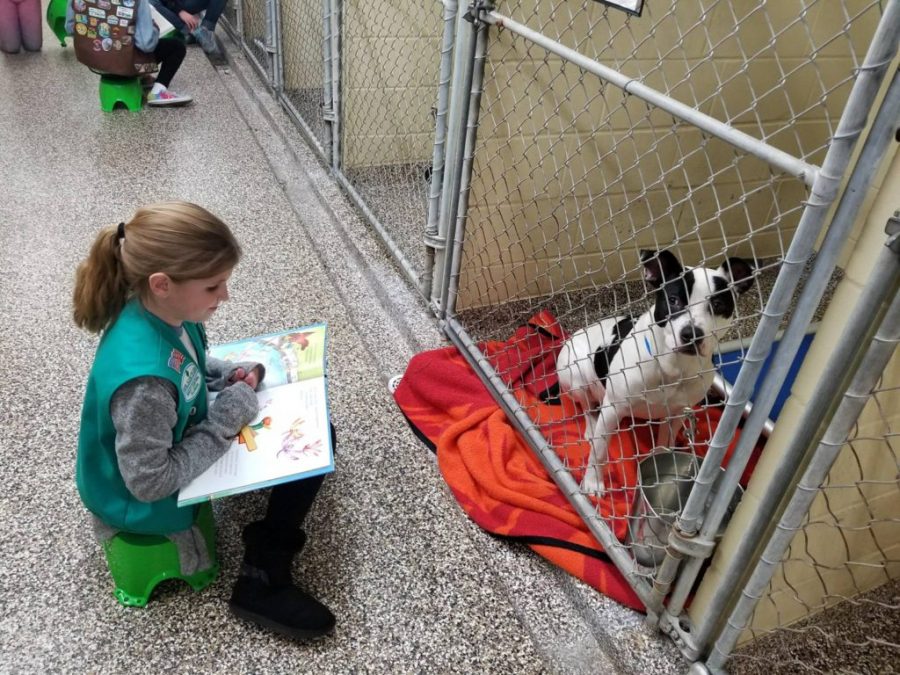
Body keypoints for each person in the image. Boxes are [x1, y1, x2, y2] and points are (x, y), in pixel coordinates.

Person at [72, 201, 336, 639]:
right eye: (214, 287)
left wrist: (219, 374)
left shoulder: (162, 310)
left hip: (165, 447)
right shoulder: (144, 387)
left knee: (319, 433)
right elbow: (149, 482)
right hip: (139, 502)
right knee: (309, 446)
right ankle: (262, 577)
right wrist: (224, 422)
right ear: (162, 284)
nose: (225, 296)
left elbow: (186, 357)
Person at [66, 0, 192, 106]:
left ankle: (144, 78)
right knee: (177, 47)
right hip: (124, 62)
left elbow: (70, 28)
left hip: (91, 59)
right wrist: (154, 27)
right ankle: (158, 92)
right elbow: (146, 44)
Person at [150, 0, 223, 54]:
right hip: (166, 6)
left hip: (185, 3)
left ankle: (205, 30)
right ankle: (191, 31)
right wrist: (179, 11)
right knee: (151, 2)